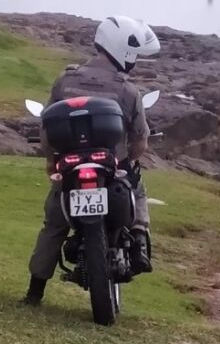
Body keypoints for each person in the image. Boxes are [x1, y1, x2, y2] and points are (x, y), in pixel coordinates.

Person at [22, 16, 161, 306]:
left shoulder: (65, 79)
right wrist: (128, 163)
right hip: (111, 167)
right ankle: (140, 240)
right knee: (138, 188)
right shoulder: (127, 90)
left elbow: (46, 129)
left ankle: (35, 291)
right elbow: (141, 141)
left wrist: (51, 162)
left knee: (54, 225)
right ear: (124, 50)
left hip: (70, 167)